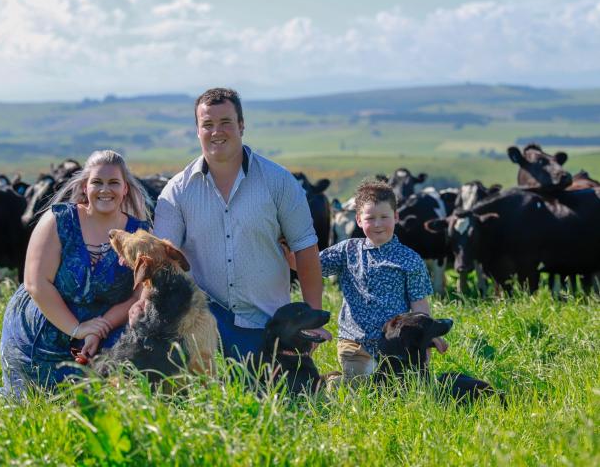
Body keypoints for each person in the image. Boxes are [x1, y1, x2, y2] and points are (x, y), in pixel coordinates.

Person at [150, 87, 330, 361]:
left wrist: (312, 319)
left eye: (226, 123)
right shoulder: (176, 192)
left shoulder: (278, 181)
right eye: (207, 124)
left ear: (242, 126)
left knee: (282, 398)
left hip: (270, 325)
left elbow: (305, 248)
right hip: (205, 326)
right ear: (197, 130)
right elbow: (162, 261)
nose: (216, 131)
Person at [0, 150, 151, 396]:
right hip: (41, 332)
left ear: (125, 189)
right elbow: (36, 283)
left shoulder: (139, 234)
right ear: (84, 187)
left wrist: (99, 328)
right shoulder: (59, 220)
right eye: (97, 182)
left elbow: (136, 297)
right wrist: (78, 329)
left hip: (104, 334)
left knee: (108, 394)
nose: (105, 189)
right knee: (39, 399)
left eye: (114, 182)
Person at [315, 179, 448, 380]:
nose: (377, 224)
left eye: (384, 217)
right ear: (359, 220)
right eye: (370, 218)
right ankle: (332, 382)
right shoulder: (348, 250)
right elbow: (311, 266)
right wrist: (287, 254)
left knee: (404, 388)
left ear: (396, 216)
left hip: (397, 342)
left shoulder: (410, 259)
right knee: (360, 387)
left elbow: (419, 303)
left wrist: (428, 337)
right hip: (355, 341)